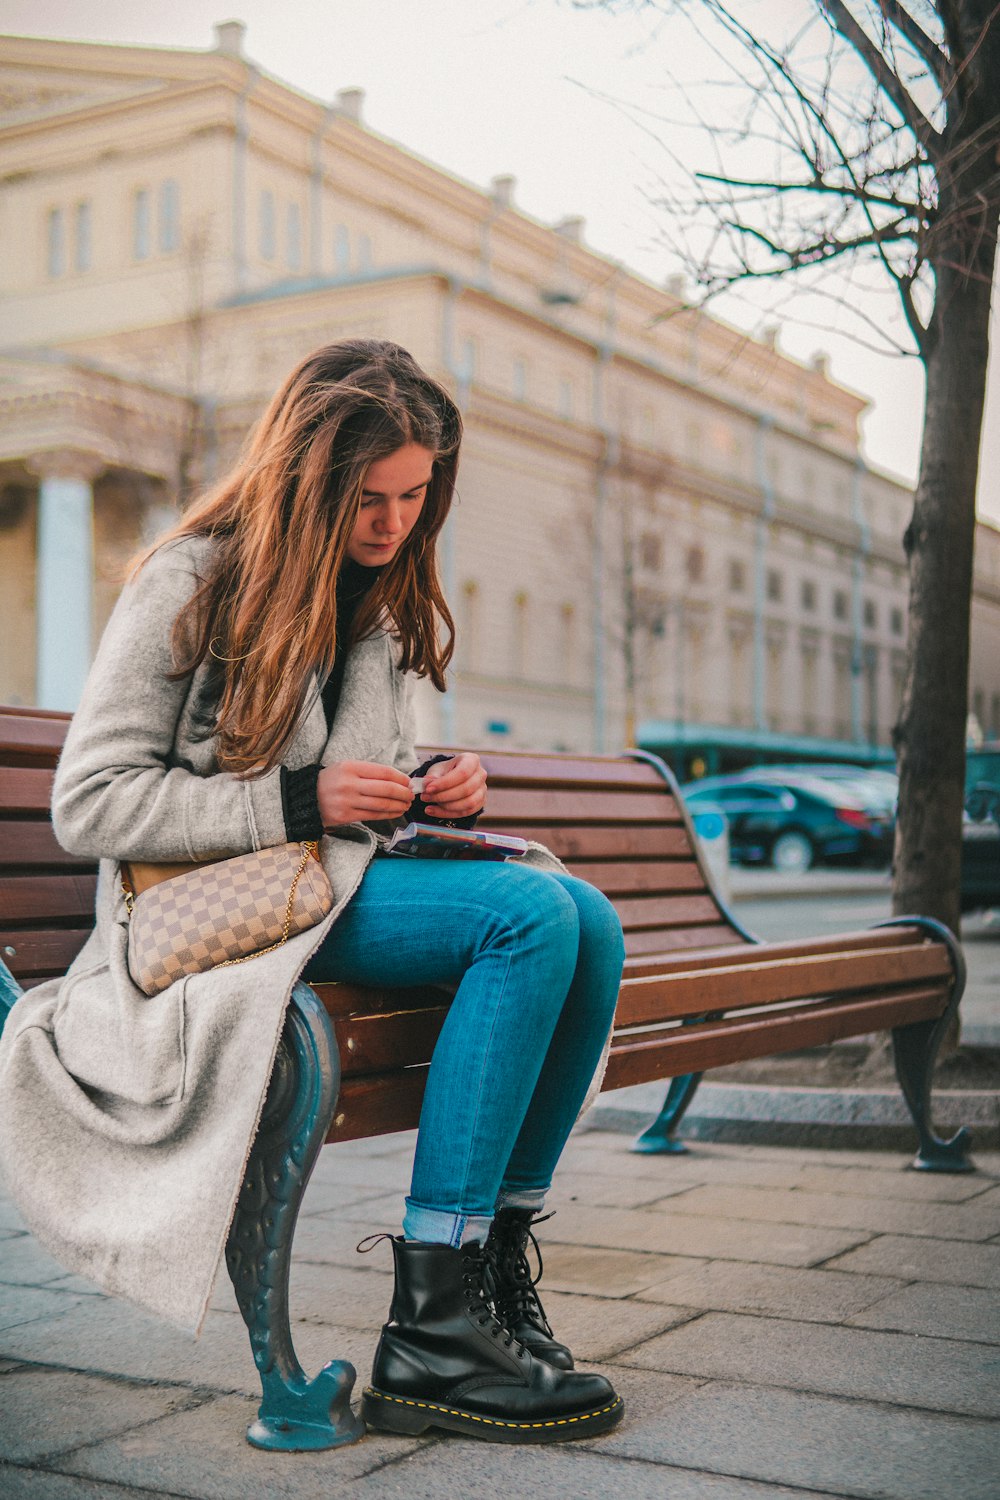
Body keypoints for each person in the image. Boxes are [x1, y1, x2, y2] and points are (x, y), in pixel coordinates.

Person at [0, 339, 625, 1444]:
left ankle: (481, 1282)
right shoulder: (189, 578)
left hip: (321, 890)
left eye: (414, 494)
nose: (392, 522)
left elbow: (359, 795)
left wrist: (434, 790)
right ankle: (433, 1321)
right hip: (212, 921)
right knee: (529, 918)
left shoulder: (376, 604)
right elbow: (90, 804)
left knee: (589, 919)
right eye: (368, 498)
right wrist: (297, 800)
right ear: (305, 478)